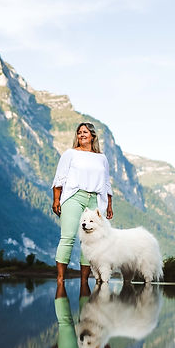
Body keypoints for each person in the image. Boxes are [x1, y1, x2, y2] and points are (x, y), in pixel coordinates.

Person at [51, 122, 113, 295]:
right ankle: (60, 279)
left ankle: (84, 282)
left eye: (85, 132)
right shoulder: (70, 154)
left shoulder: (102, 158)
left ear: (92, 136)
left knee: (90, 240)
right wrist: (56, 200)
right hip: (74, 197)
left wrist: (109, 204)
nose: (82, 135)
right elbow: (59, 178)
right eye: (79, 132)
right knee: (68, 237)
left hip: (95, 200)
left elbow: (106, 182)